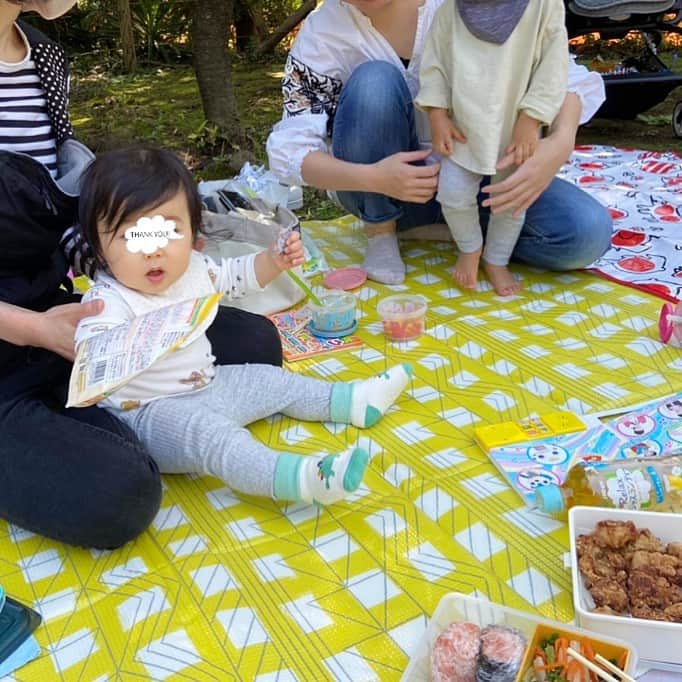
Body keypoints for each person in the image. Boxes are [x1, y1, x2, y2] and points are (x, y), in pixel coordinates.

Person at [0, 0, 282, 549]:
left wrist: (143, 252)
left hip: (63, 322)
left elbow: (60, 214)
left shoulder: (44, 59)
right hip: (20, 340)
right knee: (120, 495)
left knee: (255, 343)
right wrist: (34, 329)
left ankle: (125, 417)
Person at [75, 147, 413, 507]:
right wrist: (99, 369)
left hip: (209, 386)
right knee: (218, 439)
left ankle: (352, 402)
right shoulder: (108, 300)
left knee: (271, 380)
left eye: (168, 232)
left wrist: (274, 259)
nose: (154, 251)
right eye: (132, 237)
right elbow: (90, 351)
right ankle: (301, 479)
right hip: (148, 414)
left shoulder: (194, 269)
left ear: (194, 233)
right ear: (99, 247)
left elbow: (238, 277)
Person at [266, 0, 612, 286]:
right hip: (387, 192)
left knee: (585, 233)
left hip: (480, 175)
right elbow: (290, 152)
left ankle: (456, 234)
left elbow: (563, 76)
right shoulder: (324, 32)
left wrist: (561, 142)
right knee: (374, 82)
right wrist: (374, 178)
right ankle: (382, 232)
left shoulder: (457, 5)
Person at [415, 0, 568, 295]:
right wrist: (437, 115)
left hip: (517, 131)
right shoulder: (451, 10)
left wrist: (532, 117)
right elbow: (434, 65)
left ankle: (496, 260)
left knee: (510, 202)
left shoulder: (543, 5)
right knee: (452, 193)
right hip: (464, 129)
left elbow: (554, 65)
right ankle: (470, 247)